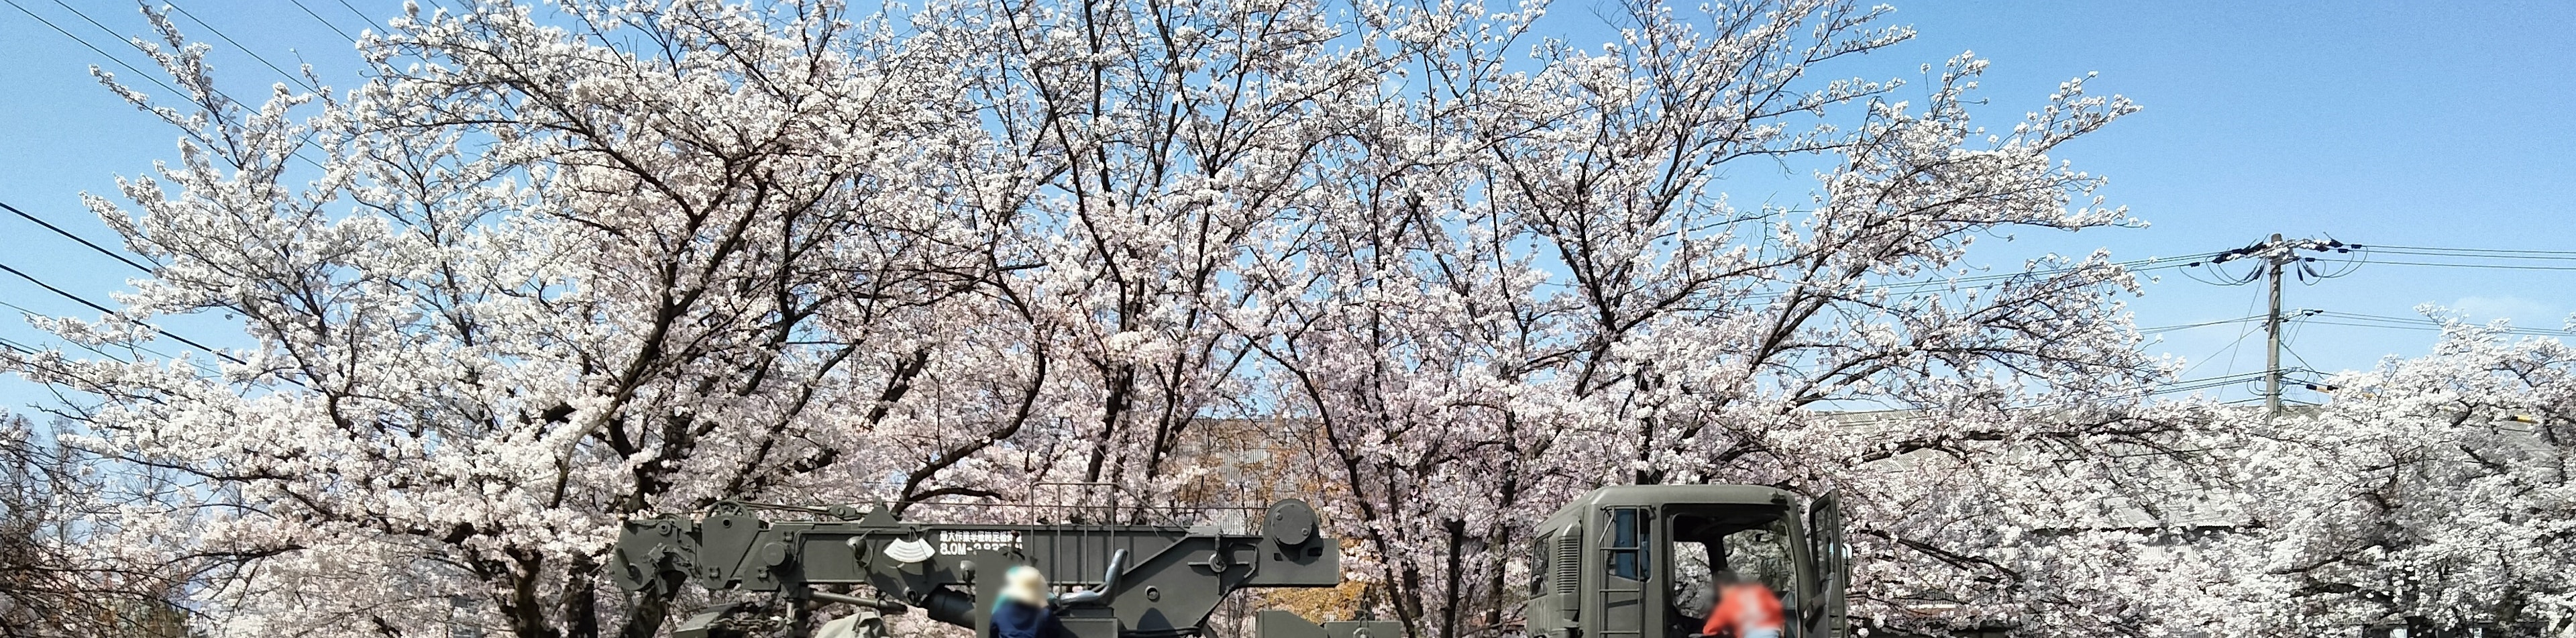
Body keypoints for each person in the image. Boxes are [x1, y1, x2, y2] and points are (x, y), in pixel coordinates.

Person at [991, 566, 1071, 638]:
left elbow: (993, 634)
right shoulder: (1044, 615)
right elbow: (1054, 634)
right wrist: (1045, 607)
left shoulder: (1000, 613)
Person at [1700, 571, 1784, 638]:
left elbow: (1709, 630)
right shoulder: (1758, 592)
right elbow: (1777, 610)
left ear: (1720, 587)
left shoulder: (1727, 604)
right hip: (1772, 632)